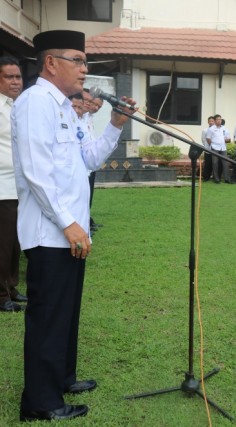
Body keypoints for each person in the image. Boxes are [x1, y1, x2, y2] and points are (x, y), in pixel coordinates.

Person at [12, 30, 136, 422]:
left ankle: (61, 376)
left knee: (66, 312)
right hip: (51, 232)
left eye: (86, 62)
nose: (85, 70)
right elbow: (36, 172)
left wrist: (115, 123)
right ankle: (41, 403)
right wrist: (68, 224)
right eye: (78, 60)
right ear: (50, 63)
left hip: (70, 230)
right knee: (49, 315)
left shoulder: (65, 106)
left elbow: (90, 159)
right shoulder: (35, 102)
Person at [0, 56, 26, 313]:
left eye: (18, 77)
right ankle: (0, 294)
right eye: (9, 77)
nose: (16, 82)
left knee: (16, 242)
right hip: (2, 186)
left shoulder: (18, 106)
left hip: (19, 186)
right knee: (3, 242)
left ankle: (11, 285)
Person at [82, 89, 103, 233]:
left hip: (91, 166)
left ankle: (87, 222)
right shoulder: (78, 116)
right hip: (82, 166)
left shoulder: (89, 117)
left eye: (99, 106)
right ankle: (85, 224)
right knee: (82, 197)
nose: (95, 107)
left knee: (88, 197)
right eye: (92, 103)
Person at [206, 114, 231, 184]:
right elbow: (208, 138)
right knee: (215, 163)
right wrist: (212, 145)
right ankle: (216, 179)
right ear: (214, 120)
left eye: (220, 119)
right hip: (214, 148)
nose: (219, 121)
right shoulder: (211, 129)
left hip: (223, 148)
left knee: (225, 163)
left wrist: (226, 140)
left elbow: (229, 139)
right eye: (217, 119)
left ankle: (227, 179)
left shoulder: (225, 129)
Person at [201, 116, 215, 181]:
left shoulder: (217, 130)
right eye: (210, 121)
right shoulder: (205, 130)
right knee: (207, 164)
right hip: (208, 149)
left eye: (212, 121)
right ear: (208, 122)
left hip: (215, 149)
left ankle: (215, 177)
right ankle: (206, 177)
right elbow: (203, 139)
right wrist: (206, 146)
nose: (211, 122)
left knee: (214, 163)